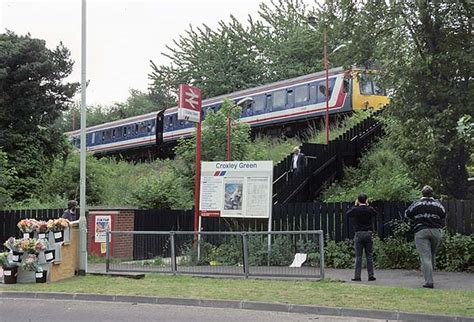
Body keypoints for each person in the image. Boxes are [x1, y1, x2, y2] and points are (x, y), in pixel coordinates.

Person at [405, 185, 446, 289]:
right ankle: (430, 275)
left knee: (425, 256)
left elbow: (407, 214)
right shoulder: (438, 205)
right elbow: (443, 215)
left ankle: (429, 281)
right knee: (432, 254)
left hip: (421, 231)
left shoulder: (417, 204)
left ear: (422, 193)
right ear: (432, 194)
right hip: (436, 231)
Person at [346, 193, 377, 282]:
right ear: (366, 200)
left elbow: (348, 213)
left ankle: (357, 276)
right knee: (369, 256)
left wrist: (355, 205)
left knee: (358, 256)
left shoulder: (356, 210)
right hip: (368, 233)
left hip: (359, 233)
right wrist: (368, 205)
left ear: (358, 200)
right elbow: (375, 213)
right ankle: (371, 275)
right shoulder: (369, 209)